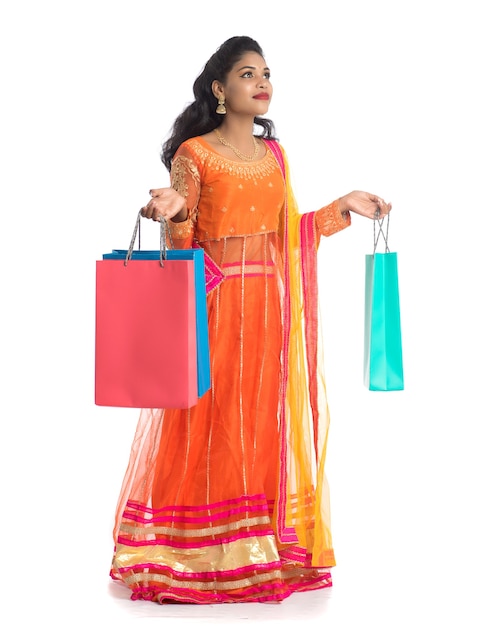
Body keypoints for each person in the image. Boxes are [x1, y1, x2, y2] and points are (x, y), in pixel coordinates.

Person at [110, 35, 391, 605]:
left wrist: (342, 207)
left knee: (259, 423)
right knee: (205, 423)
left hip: (268, 311)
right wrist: (174, 211)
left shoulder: (276, 157)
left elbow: (289, 233)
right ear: (219, 88)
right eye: (246, 74)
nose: (262, 82)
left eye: (266, 72)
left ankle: (255, 544)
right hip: (213, 306)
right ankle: (188, 549)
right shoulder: (194, 154)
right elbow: (179, 247)